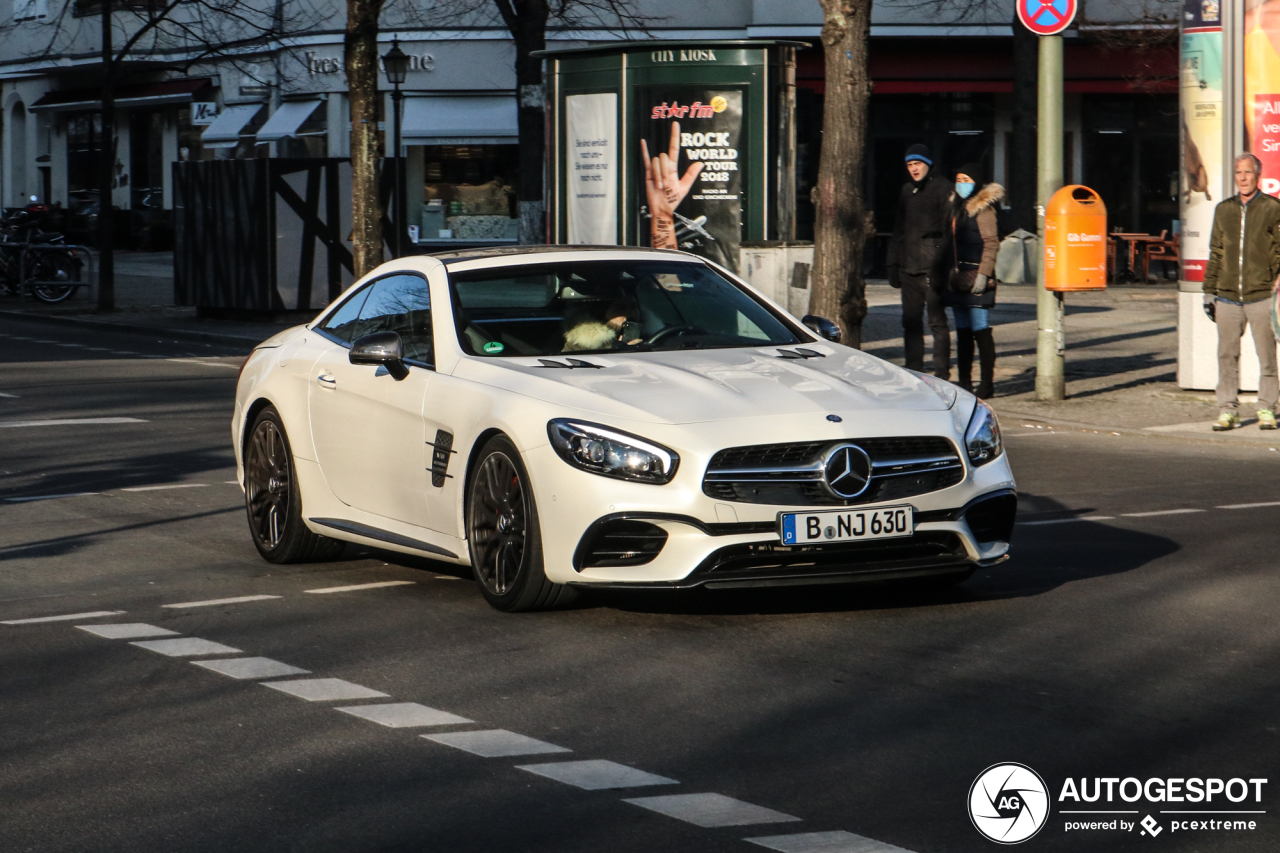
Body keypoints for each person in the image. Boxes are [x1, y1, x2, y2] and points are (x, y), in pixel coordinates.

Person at [1202, 152, 1280, 430]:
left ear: (1258, 175)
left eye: (1248, 172)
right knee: (1226, 355)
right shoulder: (1224, 210)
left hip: (1261, 295)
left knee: (1267, 355)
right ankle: (1227, 409)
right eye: (1239, 173)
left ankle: (1267, 409)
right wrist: (1209, 290)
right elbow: (1216, 252)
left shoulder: (1272, 208)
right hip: (1227, 296)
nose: (1243, 178)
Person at [888, 143, 952, 378]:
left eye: (918, 164)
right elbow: (898, 229)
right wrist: (892, 264)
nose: (914, 169)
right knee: (911, 323)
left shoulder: (943, 188)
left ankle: (942, 374)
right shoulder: (907, 190)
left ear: (928, 164)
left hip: (932, 267)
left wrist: (941, 267)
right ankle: (914, 372)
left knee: (937, 323)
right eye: (909, 165)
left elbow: (948, 232)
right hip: (909, 267)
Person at [942, 163, 1003, 398]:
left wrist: (984, 273)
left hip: (977, 276)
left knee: (981, 329)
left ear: (975, 182)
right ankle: (965, 381)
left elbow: (991, 243)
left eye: (966, 179)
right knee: (963, 331)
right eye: (959, 179)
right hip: (957, 278)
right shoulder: (954, 208)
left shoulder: (984, 209)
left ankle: (987, 383)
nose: (961, 184)